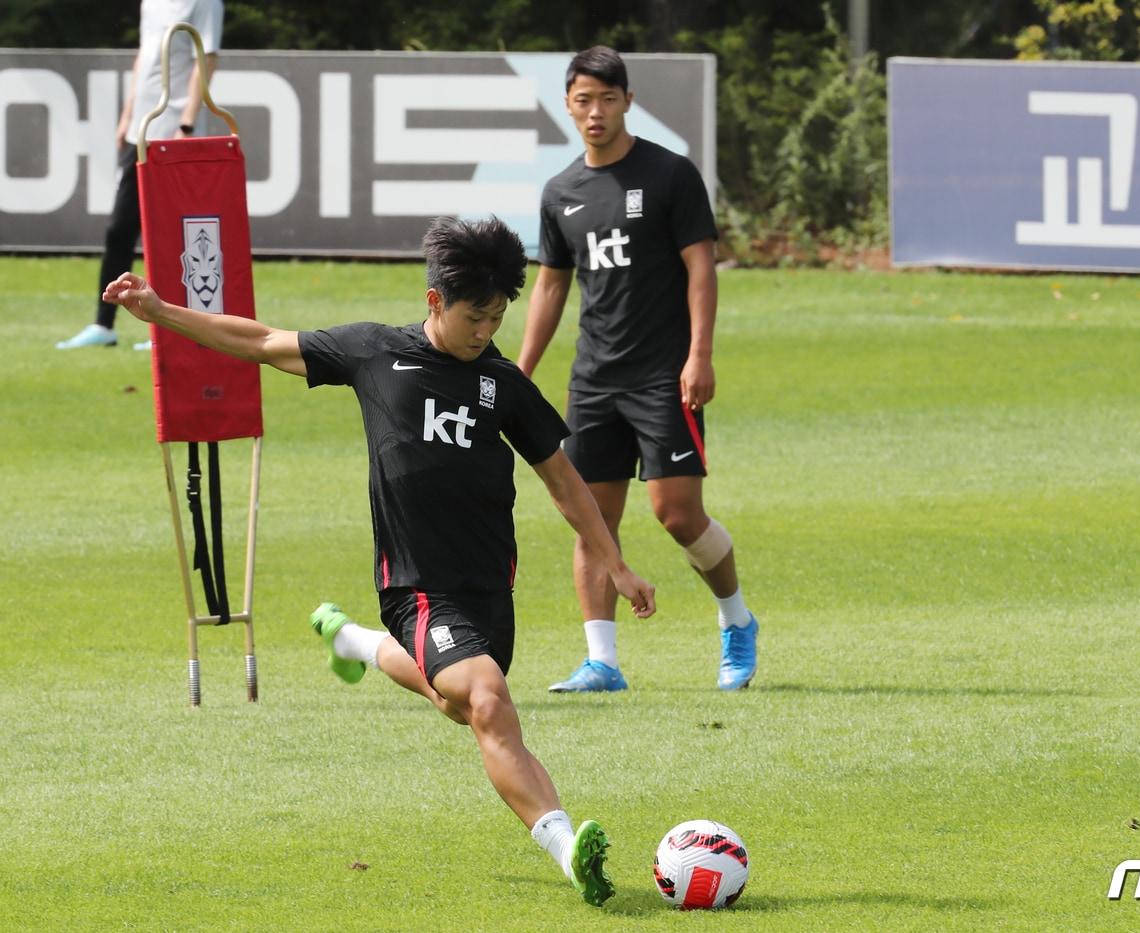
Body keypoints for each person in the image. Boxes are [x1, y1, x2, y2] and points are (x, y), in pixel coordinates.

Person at [102, 216, 654, 908]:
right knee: (487, 700)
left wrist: (617, 564)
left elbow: (565, 482)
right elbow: (262, 341)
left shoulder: (501, 384)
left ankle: (354, 640)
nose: (486, 329)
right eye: (474, 316)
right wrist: (159, 311)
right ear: (434, 302)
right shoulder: (374, 354)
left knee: (460, 703)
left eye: (497, 315)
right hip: (417, 588)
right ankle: (571, 851)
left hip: (488, 594)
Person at [519, 46, 758, 694]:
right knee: (591, 515)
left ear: (627, 101)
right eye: (582, 101)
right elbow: (549, 288)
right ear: (568, 106)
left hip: (664, 375)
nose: (594, 113)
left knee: (677, 513)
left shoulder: (670, 175)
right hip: (594, 376)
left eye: (606, 99)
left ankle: (736, 619)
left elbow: (701, 268)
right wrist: (521, 369)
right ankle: (603, 660)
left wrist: (699, 353)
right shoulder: (561, 192)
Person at [59, 0, 225, 351]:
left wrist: (187, 125)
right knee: (120, 229)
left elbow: (206, 59)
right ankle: (103, 325)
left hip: (176, 133)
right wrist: (128, 113)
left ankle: (175, 328)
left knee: (172, 236)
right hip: (141, 133)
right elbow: (145, 55)